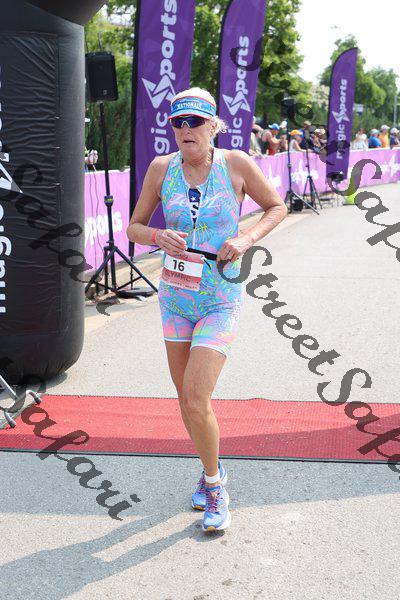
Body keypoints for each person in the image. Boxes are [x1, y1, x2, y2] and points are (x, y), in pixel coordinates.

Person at [126, 87, 287, 532]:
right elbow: (134, 227)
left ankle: (215, 486)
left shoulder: (235, 164)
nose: (185, 130)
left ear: (213, 125)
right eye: (178, 122)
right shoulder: (162, 169)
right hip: (176, 298)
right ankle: (209, 465)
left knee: (196, 397)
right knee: (188, 401)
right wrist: (156, 236)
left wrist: (246, 238)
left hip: (220, 298)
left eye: (194, 121)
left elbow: (276, 206)